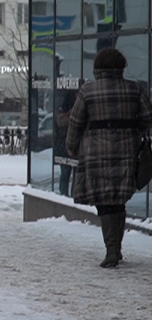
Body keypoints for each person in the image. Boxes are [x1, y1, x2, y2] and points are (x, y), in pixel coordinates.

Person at [65, 47, 152, 268]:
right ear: (121, 67)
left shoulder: (87, 91)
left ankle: (111, 249)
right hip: (126, 150)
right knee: (119, 200)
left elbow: (75, 122)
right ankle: (116, 248)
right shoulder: (135, 89)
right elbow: (147, 117)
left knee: (105, 201)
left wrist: (72, 147)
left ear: (97, 69)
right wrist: (133, 130)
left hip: (96, 152)